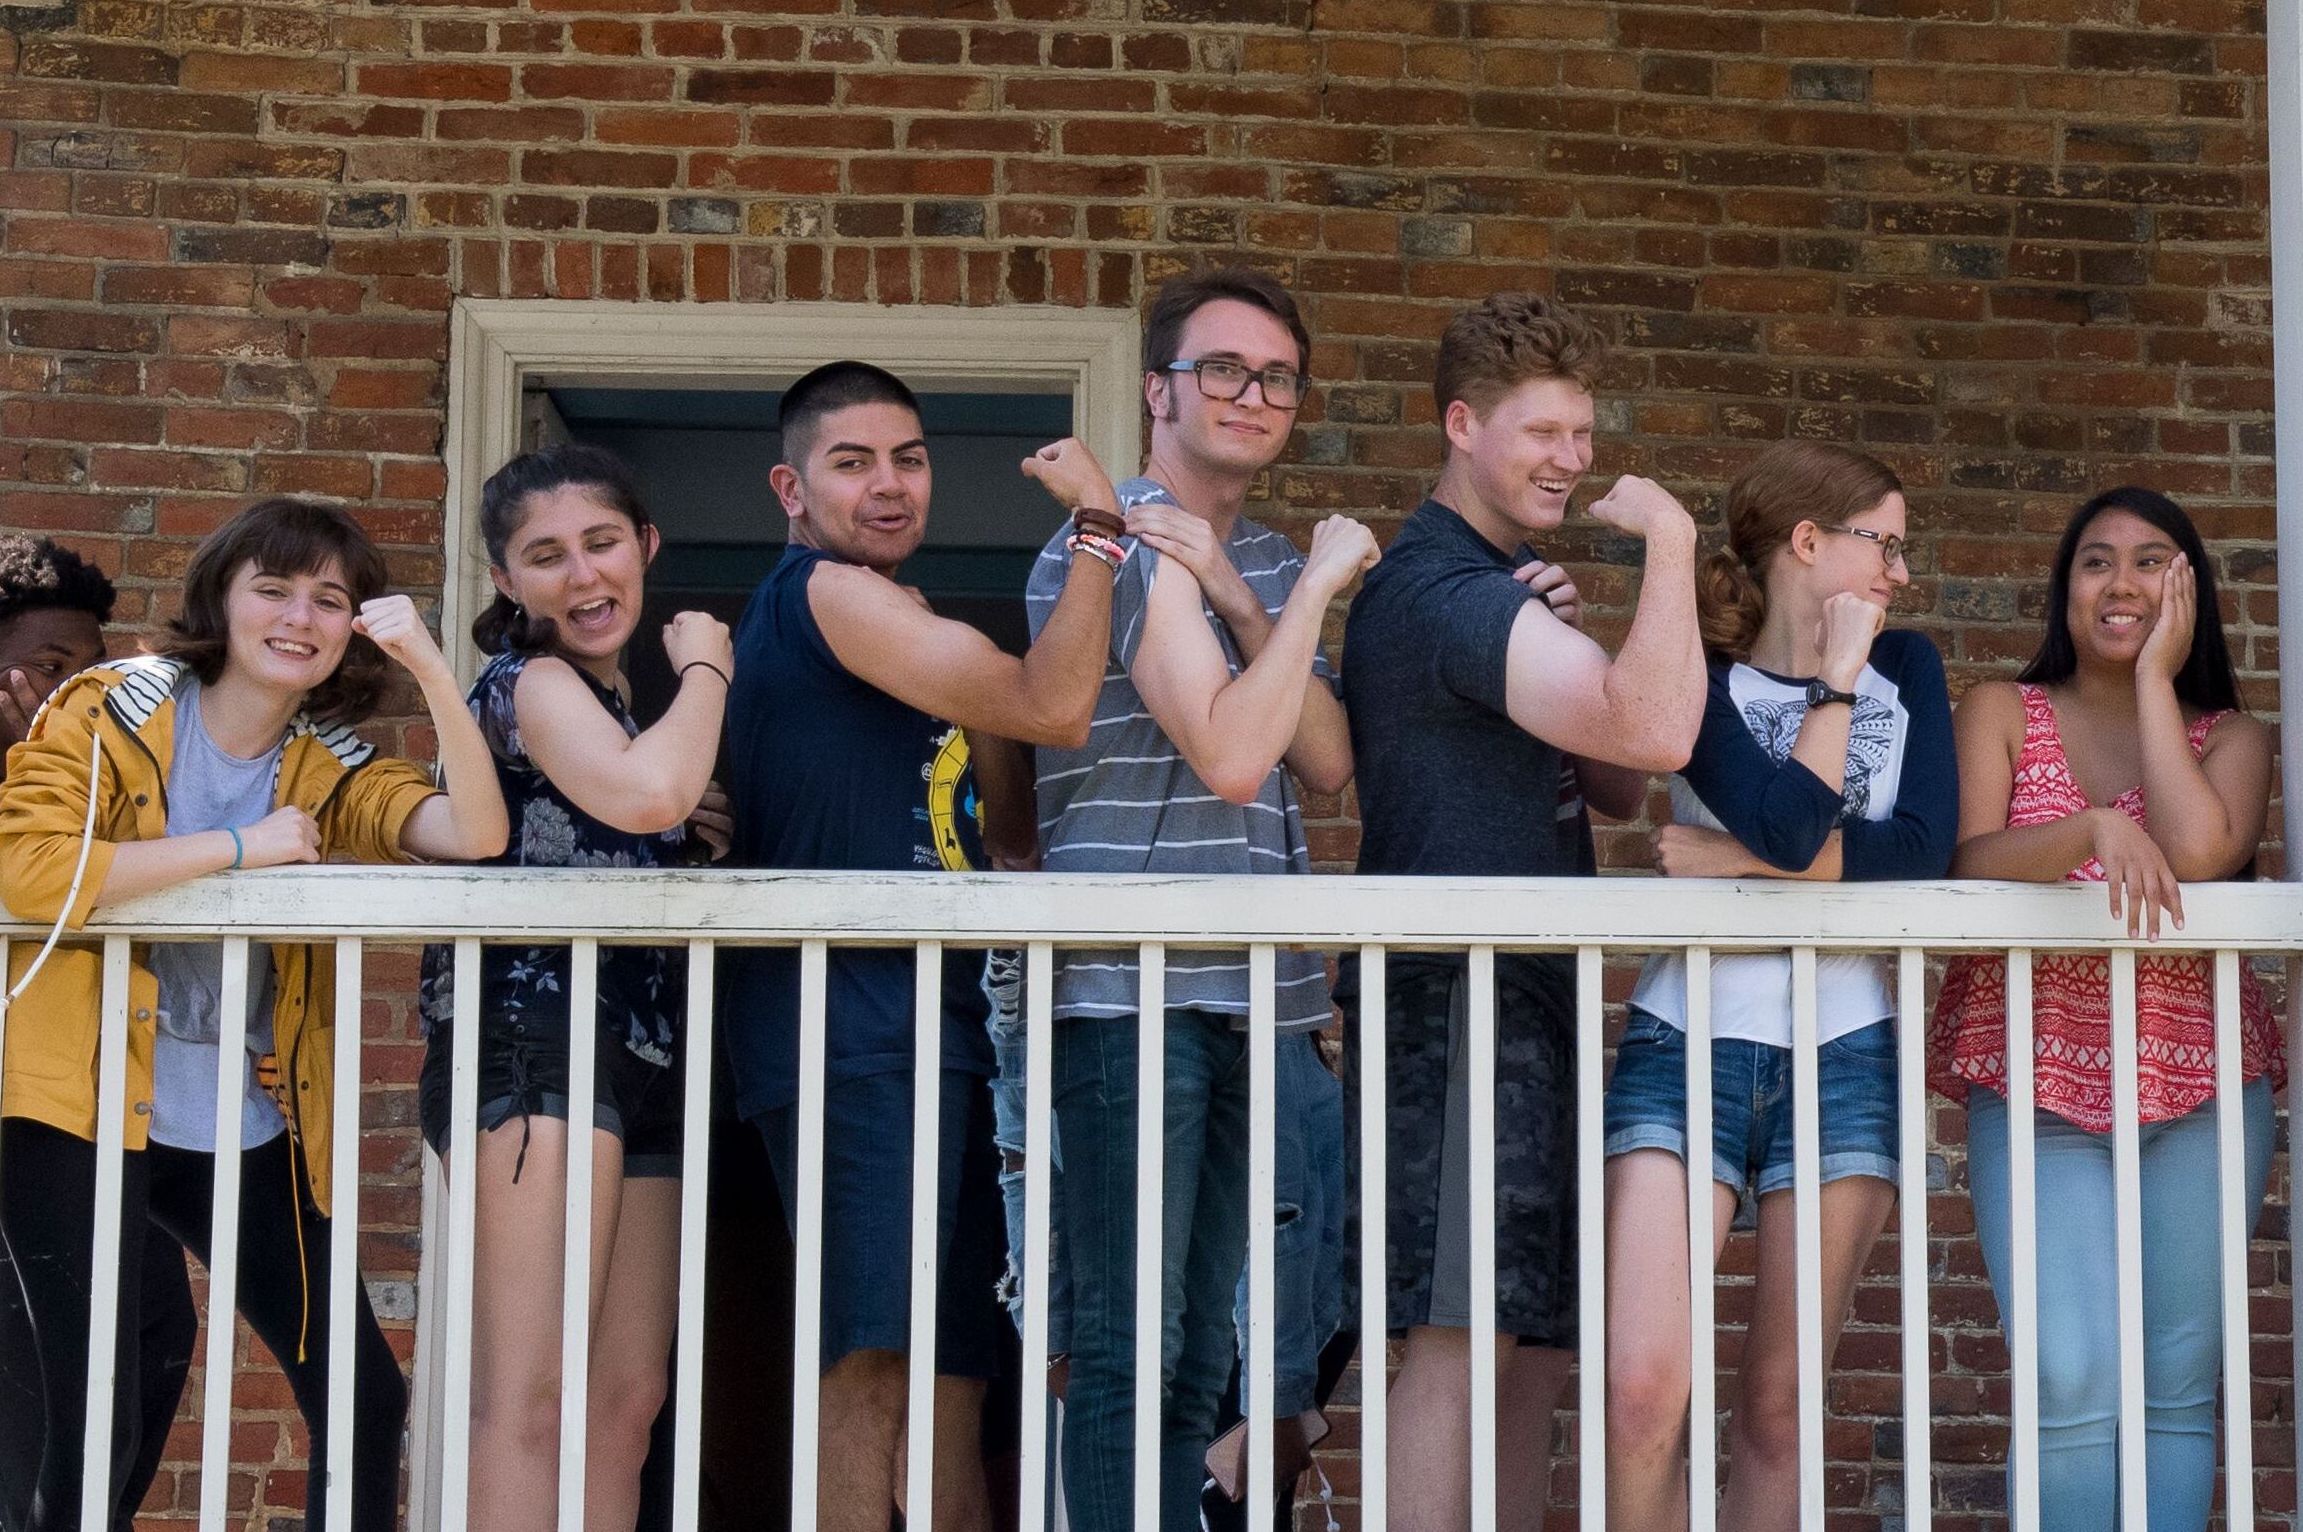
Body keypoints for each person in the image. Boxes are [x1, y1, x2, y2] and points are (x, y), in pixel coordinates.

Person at [0, 498, 509, 1532]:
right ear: (220, 602)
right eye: (272, 587)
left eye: (331, 597)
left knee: (365, 1393)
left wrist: (434, 672)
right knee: (84, 1410)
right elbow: (32, 864)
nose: (300, 615)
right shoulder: (111, 703)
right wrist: (243, 850)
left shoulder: (328, 764)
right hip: (78, 1103)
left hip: (239, 1112)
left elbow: (475, 833)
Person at [718, 360, 1122, 1532]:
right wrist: (1098, 529)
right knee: (872, 1351)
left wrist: (981, 693)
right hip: (852, 1022)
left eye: (909, 457)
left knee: (955, 1366)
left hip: (949, 1028)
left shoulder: (909, 623)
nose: (888, 485)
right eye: (853, 463)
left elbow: (1012, 824)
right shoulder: (831, 595)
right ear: (790, 487)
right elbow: (1056, 707)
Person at [1339, 291, 1704, 1531]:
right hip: (1453, 994)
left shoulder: (1504, 589)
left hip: (1532, 994)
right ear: (1461, 425)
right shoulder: (1440, 589)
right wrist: (1670, 545)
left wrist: (1576, 631)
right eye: (1542, 432)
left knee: (1532, 1348)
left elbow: (1617, 776)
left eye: (1582, 433)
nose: (1572, 459)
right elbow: (1654, 725)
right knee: (1458, 1338)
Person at [1026, 265, 1378, 1532]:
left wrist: (1250, 591)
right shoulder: (1109, 534)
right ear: (1157, 388)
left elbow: (1327, 759)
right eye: (1220, 369)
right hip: (1136, 978)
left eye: (1275, 376)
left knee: (1199, 1355)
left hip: (1259, 990)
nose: (1250, 394)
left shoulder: (1267, 557)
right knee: (1129, 1341)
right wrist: (1309, 600)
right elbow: (1237, 750)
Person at [1601, 441, 1955, 1528]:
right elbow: (1795, 820)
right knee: (1639, 1390)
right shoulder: (1697, 673)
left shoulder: (1912, 668)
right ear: (1808, 542)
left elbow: (1924, 849)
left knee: (1777, 1407)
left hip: (1846, 1047)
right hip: (1683, 1034)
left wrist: (1727, 861)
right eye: (1880, 542)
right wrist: (1830, 688)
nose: (1897, 570)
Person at [1928, 486, 2283, 1530]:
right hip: (2034, 1081)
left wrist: (2154, 683)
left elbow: (2199, 850)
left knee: (2173, 1387)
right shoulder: (2000, 707)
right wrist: (2086, 827)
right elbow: (1964, 859)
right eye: (2093, 561)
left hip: (2204, 1082)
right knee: (2066, 1372)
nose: (2118, 582)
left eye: (2149, 562)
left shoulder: (2232, 735)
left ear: (2188, 591)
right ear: (2063, 586)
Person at [414, 444, 733, 1532]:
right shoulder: (531, 680)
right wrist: (710, 668)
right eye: (544, 556)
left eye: (601, 542)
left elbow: (647, 802)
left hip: (641, 1044)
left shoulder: (616, 702)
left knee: (623, 1398)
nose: (582, 575)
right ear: (506, 580)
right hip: (533, 1033)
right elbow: (649, 794)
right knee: (532, 1398)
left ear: (642, 545)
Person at [0, 536, 201, 1532]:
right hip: (20, 1122)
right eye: (51, 666)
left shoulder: (88, 780)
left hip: (83, 1113)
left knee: (157, 1322)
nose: (75, 689)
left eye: (88, 666)